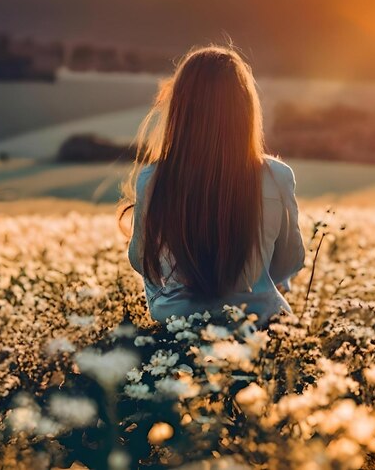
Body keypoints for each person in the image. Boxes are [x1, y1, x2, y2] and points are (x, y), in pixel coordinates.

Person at [117, 45, 305, 325]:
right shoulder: (277, 176)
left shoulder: (154, 178)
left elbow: (141, 259)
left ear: (181, 111)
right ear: (246, 109)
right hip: (259, 325)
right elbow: (290, 261)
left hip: (179, 328)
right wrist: (258, 281)